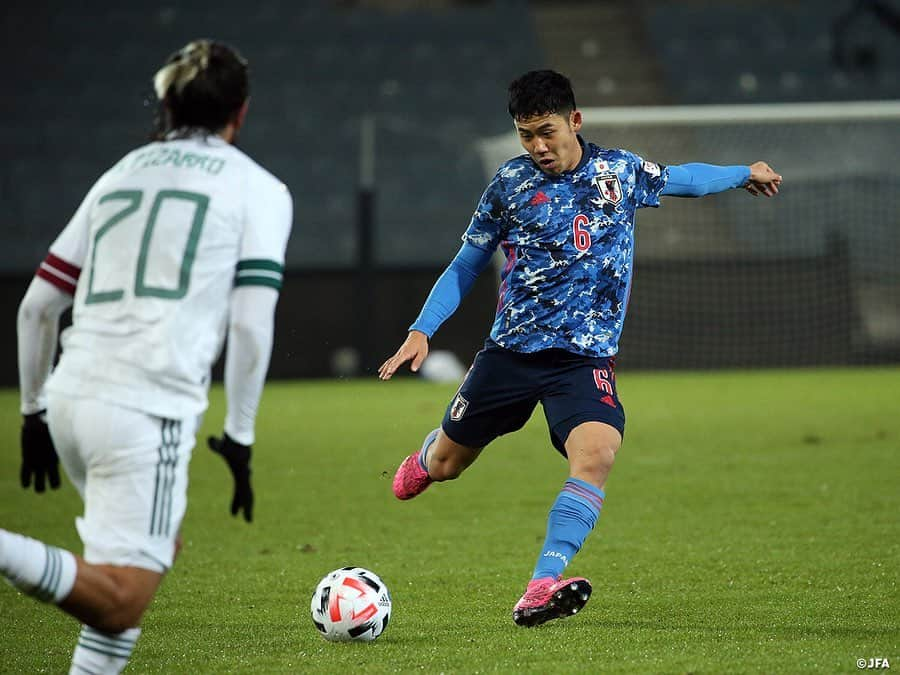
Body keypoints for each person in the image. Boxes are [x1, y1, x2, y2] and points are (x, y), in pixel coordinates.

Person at [379, 70, 781, 627]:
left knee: (597, 454)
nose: (538, 147)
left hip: (583, 360)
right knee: (448, 464)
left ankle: (542, 583)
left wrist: (744, 174)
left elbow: (684, 178)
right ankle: (426, 457)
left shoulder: (620, 172)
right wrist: (422, 328)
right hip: (509, 356)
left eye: (546, 132)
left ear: (575, 120)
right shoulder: (509, 186)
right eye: (525, 135)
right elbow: (468, 262)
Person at [3, 40, 292, 673]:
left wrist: (32, 413)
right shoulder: (260, 190)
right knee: (123, 595)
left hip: (71, 394)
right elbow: (249, 324)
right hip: (144, 407)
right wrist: (239, 437)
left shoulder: (121, 172)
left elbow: (36, 308)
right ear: (239, 112)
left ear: (166, 103)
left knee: (152, 552)